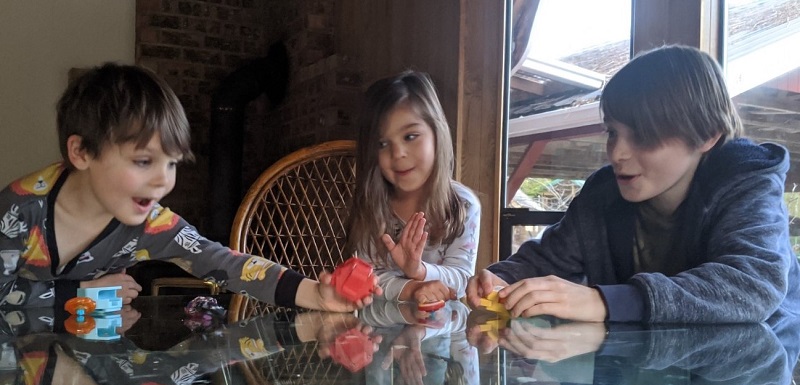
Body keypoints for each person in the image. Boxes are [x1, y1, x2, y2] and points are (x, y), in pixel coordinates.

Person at [0, 62, 380, 313]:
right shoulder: (18, 211)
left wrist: (315, 293)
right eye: (143, 161)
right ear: (81, 152)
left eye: (172, 163)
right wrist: (84, 294)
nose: (164, 180)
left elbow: (226, 264)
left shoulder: (147, 222)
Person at [467, 44, 800, 323]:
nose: (617, 153)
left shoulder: (746, 182)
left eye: (643, 134)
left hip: (752, 378)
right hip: (641, 383)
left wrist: (607, 302)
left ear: (708, 135)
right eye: (613, 132)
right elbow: (545, 260)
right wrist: (503, 280)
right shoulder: (603, 193)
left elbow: (752, 285)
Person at [345, 70, 481, 305]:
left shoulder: (462, 204)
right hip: (379, 332)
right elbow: (369, 277)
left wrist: (419, 271)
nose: (397, 153)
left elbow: (462, 278)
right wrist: (412, 288)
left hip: (443, 332)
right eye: (382, 143)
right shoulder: (372, 204)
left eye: (410, 136)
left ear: (437, 134)